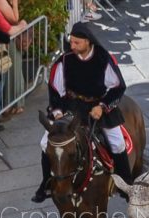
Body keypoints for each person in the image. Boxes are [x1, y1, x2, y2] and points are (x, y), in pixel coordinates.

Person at [32, 22, 130, 203]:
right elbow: (55, 90)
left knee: (117, 143)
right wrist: (58, 112)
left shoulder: (103, 58)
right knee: (45, 142)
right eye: (72, 42)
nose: (72, 46)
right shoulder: (64, 61)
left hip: (98, 107)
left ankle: (126, 184)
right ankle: (45, 183)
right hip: (71, 107)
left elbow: (118, 87)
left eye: (77, 43)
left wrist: (102, 107)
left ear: (88, 42)